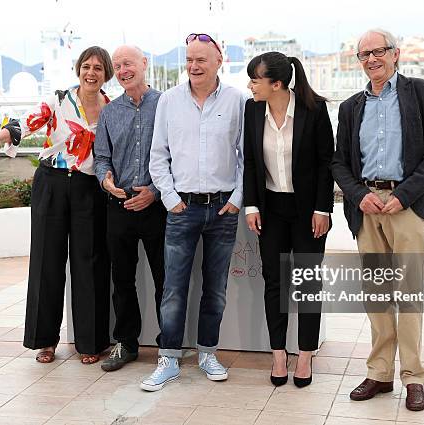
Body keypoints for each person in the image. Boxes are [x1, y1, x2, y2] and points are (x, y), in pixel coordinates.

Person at [332, 29, 424, 411]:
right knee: (377, 295)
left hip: (407, 204)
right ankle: (380, 374)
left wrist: (403, 196)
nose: (371, 59)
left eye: (378, 52)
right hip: (367, 206)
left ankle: (414, 377)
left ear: (395, 54)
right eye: (363, 54)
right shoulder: (351, 107)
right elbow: (339, 161)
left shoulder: (422, 92)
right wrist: (358, 194)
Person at [0, 46, 114, 365]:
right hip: (50, 182)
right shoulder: (59, 100)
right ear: (78, 69)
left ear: (107, 75)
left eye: (98, 68)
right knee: (46, 261)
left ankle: (92, 342)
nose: (91, 73)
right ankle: (44, 340)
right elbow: (22, 125)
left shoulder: (111, 108)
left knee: (89, 264)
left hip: (88, 188)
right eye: (86, 66)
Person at [142, 33, 245, 391]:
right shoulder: (169, 101)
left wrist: (237, 198)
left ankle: (207, 354)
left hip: (223, 209)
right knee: (173, 288)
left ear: (219, 61)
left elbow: (245, 156)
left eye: (201, 59)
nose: (194, 66)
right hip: (181, 208)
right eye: (189, 60)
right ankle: (168, 359)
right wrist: (171, 199)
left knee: (215, 288)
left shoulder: (237, 101)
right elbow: (158, 155)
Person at [243, 52, 334, 387]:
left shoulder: (314, 109)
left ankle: (306, 355)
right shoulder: (252, 110)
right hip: (271, 211)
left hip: (308, 211)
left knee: (308, 282)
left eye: (255, 79)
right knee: (274, 282)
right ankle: (278, 354)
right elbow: (251, 162)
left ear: (276, 83)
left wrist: (322, 209)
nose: (250, 85)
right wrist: (251, 206)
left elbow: (327, 163)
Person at [93, 45, 165, 372]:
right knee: (121, 280)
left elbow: (178, 155)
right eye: (118, 65)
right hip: (118, 207)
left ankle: (170, 345)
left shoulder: (165, 105)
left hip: (157, 206)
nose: (123, 70)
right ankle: (126, 344)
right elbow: (102, 158)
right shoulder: (109, 112)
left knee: (167, 279)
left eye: (128, 63)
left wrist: (153, 191)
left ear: (144, 63)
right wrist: (104, 180)